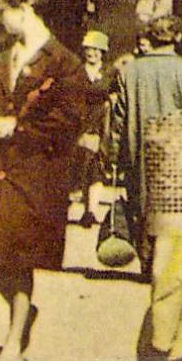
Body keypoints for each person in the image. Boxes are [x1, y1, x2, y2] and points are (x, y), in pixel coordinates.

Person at [0, 0, 87, 360]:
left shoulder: (64, 63)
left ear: (24, 8)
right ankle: (24, 313)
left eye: (4, 11)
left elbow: (69, 122)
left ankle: (14, 339)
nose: (0, 18)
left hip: (35, 174)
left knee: (15, 256)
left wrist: (18, 127)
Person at [112, 13, 182, 359]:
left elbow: (118, 121)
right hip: (178, 167)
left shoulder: (130, 71)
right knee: (172, 236)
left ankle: (149, 266)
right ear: (176, 37)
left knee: (143, 216)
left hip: (140, 157)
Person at [70, 29, 114, 226]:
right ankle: (73, 205)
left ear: (102, 52)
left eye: (96, 50)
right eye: (89, 49)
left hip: (99, 123)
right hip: (79, 123)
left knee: (96, 166)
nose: (92, 53)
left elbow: (115, 97)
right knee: (78, 164)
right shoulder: (77, 72)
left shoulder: (110, 73)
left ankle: (90, 211)